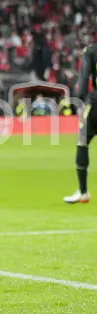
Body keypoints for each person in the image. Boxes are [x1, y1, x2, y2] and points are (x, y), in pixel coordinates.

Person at [67, 43, 97, 204]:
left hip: (96, 104)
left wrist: (80, 102)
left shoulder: (91, 51)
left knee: (83, 143)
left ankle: (83, 192)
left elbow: (84, 77)